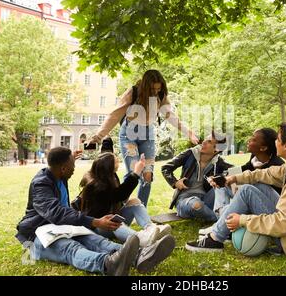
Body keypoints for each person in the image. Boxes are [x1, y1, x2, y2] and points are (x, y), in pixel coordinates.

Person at [15, 147, 173, 276]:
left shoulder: (58, 175)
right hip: (37, 236)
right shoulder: (41, 183)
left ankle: (140, 256)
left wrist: (70, 155)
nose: (74, 169)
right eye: (72, 166)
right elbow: (56, 213)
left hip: (60, 228)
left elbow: (58, 161)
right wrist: (95, 221)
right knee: (71, 248)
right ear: (63, 168)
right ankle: (108, 264)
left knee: (97, 241)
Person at [186, 123, 286, 260]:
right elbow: (264, 174)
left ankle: (215, 239)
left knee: (247, 191)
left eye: (278, 139)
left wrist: (242, 220)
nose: (275, 142)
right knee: (259, 185)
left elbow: (283, 224)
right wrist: (234, 178)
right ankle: (221, 228)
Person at [87, 69, 199, 207]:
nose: (156, 92)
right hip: (129, 134)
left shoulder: (160, 96)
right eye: (153, 89)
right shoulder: (133, 92)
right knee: (134, 173)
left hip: (148, 135)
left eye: (159, 89)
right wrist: (98, 136)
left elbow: (171, 116)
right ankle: (121, 209)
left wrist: (189, 132)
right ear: (146, 86)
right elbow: (115, 115)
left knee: (147, 176)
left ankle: (142, 211)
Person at [198, 128, 285, 237]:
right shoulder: (255, 157)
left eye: (253, 139)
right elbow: (245, 169)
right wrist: (223, 178)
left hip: (263, 209)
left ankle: (221, 226)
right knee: (222, 185)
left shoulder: (277, 166)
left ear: (263, 148)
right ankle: (222, 222)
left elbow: (264, 196)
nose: (249, 140)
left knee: (246, 189)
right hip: (250, 198)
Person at [76, 152, 173, 248]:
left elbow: (120, 195)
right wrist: (136, 173)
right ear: (109, 167)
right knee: (115, 223)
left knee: (134, 201)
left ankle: (151, 229)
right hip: (99, 227)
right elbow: (119, 195)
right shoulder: (95, 186)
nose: (118, 161)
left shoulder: (109, 176)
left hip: (112, 217)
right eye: (116, 161)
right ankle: (141, 239)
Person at [161, 132, 233, 222]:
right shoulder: (190, 154)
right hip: (185, 199)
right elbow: (165, 168)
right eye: (205, 140)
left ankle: (224, 215)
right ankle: (222, 220)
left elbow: (234, 170)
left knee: (225, 186)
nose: (203, 142)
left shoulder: (218, 162)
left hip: (206, 198)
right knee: (197, 205)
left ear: (217, 149)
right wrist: (175, 182)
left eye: (209, 142)